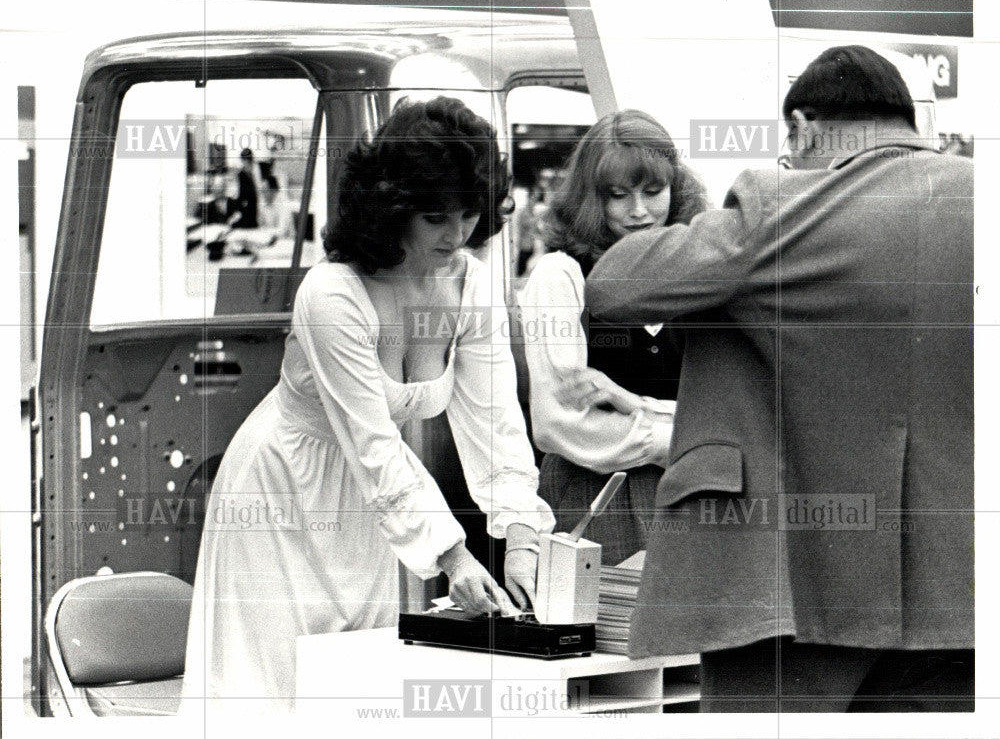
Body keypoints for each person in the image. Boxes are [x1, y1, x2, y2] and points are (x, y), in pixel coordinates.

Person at [585, 46, 973, 711]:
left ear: (804, 125)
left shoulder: (784, 209)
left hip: (790, 593)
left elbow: (614, 288)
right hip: (963, 594)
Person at [182, 97, 555, 714]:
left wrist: (519, 534)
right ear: (392, 206)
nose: (457, 233)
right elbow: (374, 444)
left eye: (468, 213)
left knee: (358, 695)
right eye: (436, 216)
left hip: (379, 504)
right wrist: (453, 554)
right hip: (282, 492)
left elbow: (497, 427)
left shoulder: (472, 284)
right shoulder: (332, 293)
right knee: (269, 695)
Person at [518, 110, 709, 564]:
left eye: (653, 191)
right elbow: (559, 424)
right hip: (596, 498)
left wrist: (626, 401)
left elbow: (731, 406)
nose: (639, 211)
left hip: (696, 495)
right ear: (590, 199)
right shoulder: (561, 275)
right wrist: (681, 438)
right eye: (618, 196)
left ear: (675, 188)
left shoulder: (700, 276)